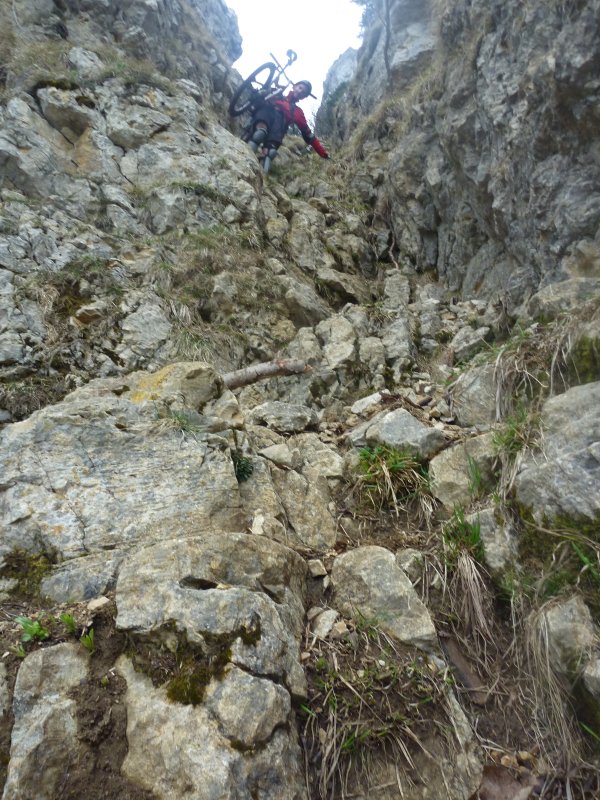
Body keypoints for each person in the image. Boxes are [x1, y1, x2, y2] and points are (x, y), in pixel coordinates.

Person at [246, 81, 329, 172]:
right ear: (294, 86)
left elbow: (309, 135)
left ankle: (260, 178)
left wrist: (323, 154)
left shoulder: (298, 112)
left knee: (270, 153)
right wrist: (274, 89)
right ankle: (243, 159)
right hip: (265, 116)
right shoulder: (277, 93)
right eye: (300, 88)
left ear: (304, 97)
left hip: (278, 129)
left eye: (304, 92)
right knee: (259, 134)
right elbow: (260, 94)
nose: (300, 92)